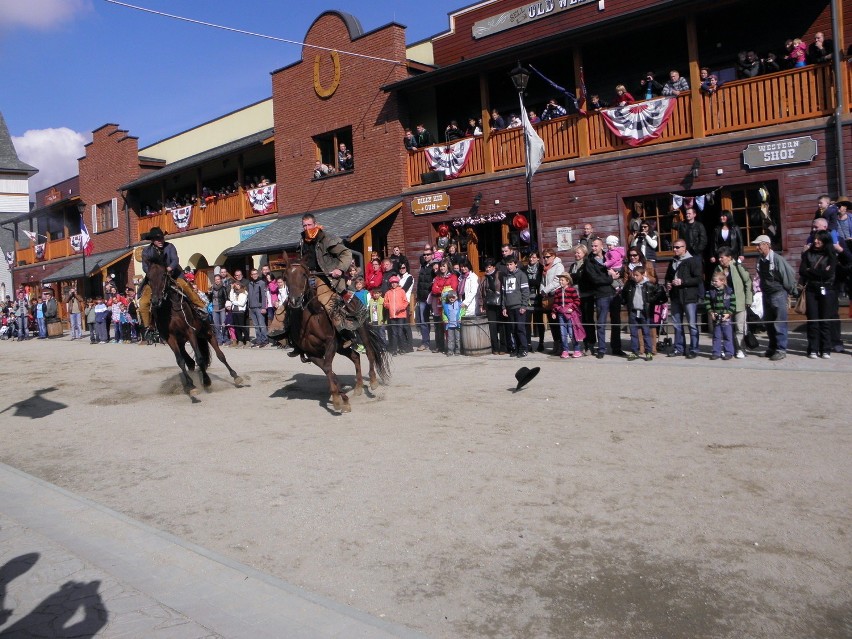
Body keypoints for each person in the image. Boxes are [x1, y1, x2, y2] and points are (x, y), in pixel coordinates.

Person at [297, 213, 358, 347]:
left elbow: (347, 254)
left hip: (326, 278)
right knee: (293, 301)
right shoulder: (302, 241)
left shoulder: (327, 239)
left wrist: (340, 269)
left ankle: (345, 334)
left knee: (327, 302)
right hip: (308, 279)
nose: (307, 228)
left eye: (309, 225)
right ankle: (291, 338)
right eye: (304, 226)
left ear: (315, 224)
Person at [137, 227, 209, 339]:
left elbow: (175, 260)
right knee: (143, 303)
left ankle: (201, 308)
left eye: (161, 238)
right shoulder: (146, 251)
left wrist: (169, 268)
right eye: (157, 239)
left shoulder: (170, 246)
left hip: (174, 275)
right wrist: (156, 273)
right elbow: (145, 267)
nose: (160, 240)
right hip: (155, 279)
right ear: (152, 240)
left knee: (185, 286)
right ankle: (148, 327)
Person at [753, 234, 796, 361]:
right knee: (769, 324)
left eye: (759, 245)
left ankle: (781, 349)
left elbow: (788, 275)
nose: (757, 248)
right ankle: (771, 348)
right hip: (766, 294)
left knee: (780, 324)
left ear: (766, 244)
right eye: (756, 245)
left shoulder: (777, 259)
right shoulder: (759, 260)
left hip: (778, 294)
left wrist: (789, 291)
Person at [799, 229, 838, 359]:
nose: (815, 241)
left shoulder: (831, 255)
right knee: (813, 320)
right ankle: (813, 348)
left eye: (819, 239)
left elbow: (829, 273)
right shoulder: (807, 254)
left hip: (827, 290)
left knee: (825, 320)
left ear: (825, 240)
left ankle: (826, 348)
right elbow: (802, 271)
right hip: (811, 289)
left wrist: (812, 270)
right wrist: (818, 271)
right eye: (815, 238)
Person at [665, 240, 703, 358]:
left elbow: (698, 279)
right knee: (677, 324)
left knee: (692, 324)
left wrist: (683, 281)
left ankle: (694, 349)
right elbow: (667, 277)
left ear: (684, 248)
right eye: (673, 247)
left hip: (689, 297)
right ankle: (679, 348)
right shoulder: (673, 261)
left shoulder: (693, 261)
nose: (675, 249)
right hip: (676, 296)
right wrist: (668, 284)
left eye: (677, 247)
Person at [714, 247, 753, 359]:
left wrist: (748, 299)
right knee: (727, 328)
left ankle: (741, 349)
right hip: (725, 303)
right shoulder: (718, 268)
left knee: (740, 328)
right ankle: (729, 350)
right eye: (719, 257)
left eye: (722, 257)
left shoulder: (737, 266)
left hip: (739, 301)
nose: (720, 259)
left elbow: (747, 282)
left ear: (729, 257)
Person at [623, 266, 663, 361]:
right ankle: (634, 351)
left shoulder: (649, 284)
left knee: (646, 332)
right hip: (633, 311)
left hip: (645, 312)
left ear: (643, 274)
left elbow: (659, 293)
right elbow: (624, 294)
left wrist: (652, 301)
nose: (634, 277)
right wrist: (625, 303)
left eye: (637, 275)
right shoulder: (630, 284)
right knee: (633, 333)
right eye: (633, 275)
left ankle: (648, 352)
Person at [585, 239, 616, 359]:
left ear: (601, 246)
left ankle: (616, 347)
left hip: (614, 293)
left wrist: (616, 274)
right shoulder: (589, 261)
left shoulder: (609, 256)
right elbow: (595, 279)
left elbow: (618, 265)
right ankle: (601, 349)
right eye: (592, 246)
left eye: (595, 246)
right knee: (601, 324)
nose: (593, 248)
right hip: (601, 295)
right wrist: (610, 279)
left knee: (616, 323)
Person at [501, 256, 529, 358]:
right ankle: (516, 348)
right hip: (509, 307)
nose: (509, 267)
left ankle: (523, 348)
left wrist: (524, 305)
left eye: (511, 264)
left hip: (519, 306)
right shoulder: (505, 277)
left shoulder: (521, 275)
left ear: (515, 264)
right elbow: (504, 294)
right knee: (513, 329)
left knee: (520, 328)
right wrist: (504, 307)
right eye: (507, 265)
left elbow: (525, 291)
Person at [704, 271, 737, 360]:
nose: (714, 283)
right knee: (716, 336)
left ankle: (729, 352)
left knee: (727, 335)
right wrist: (711, 312)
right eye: (713, 281)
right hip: (716, 317)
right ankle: (716, 352)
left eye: (716, 281)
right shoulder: (710, 292)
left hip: (726, 317)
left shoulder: (729, 291)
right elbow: (707, 303)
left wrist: (728, 313)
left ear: (722, 281)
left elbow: (733, 304)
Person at [551, 272, 583, 358]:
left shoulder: (572, 290)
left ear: (567, 281)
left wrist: (572, 308)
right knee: (563, 333)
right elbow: (555, 303)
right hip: (561, 315)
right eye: (560, 280)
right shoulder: (557, 292)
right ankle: (565, 350)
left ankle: (577, 349)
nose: (560, 282)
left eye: (562, 280)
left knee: (572, 332)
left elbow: (577, 301)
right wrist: (554, 312)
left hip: (570, 315)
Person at [539, 249, 565, 355]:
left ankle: (562, 346)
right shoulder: (545, 268)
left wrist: (545, 290)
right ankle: (556, 344)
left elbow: (557, 281)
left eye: (547, 257)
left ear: (553, 256)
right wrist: (542, 290)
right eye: (544, 257)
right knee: (552, 322)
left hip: (556, 296)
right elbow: (543, 281)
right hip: (548, 297)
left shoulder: (559, 266)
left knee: (558, 322)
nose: (545, 259)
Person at [431, 259, 458, 354]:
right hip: (439, 304)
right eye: (441, 266)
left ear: (448, 267)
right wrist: (445, 289)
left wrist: (441, 289)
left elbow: (452, 289)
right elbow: (434, 289)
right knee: (439, 326)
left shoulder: (453, 277)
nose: (442, 268)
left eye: (444, 266)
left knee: (449, 326)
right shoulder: (437, 277)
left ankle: (451, 347)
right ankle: (440, 346)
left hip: (450, 304)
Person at [480, 258, 506, 355]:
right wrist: (481, 304)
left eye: (489, 267)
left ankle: (503, 347)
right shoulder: (483, 278)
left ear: (493, 267)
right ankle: (495, 347)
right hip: (489, 304)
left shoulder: (500, 274)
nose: (487, 269)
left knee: (502, 325)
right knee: (492, 326)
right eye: (486, 267)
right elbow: (481, 292)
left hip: (500, 303)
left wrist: (505, 305)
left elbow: (504, 290)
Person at [525, 251, 545, 352]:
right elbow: (525, 282)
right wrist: (532, 282)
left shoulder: (541, 268)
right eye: (530, 257)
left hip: (538, 297)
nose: (531, 259)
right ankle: (528, 343)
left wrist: (531, 282)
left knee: (539, 321)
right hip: (528, 298)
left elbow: (538, 282)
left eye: (534, 257)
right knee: (527, 322)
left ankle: (541, 342)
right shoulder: (524, 269)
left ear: (538, 258)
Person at [383, 274, 409, 355]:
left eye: (395, 282)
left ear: (398, 283)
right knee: (394, 333)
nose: (394, 284)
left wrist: (400, 308)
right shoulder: (388, 293)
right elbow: (385, 303)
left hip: (400, 315)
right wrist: (389, 306)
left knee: (400, 332)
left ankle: (402, 348)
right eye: (392, 283)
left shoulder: (402, 291)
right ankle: (394, 349)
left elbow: (406, 302)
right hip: (392, 315)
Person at [415, 255, 434, 350]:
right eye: (425, 255)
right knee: (423, 321)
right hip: (422, 298)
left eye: (428, 254)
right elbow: (419, 283)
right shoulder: (422, 266)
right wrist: (418, 296)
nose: (426, 256)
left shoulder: (435, 266)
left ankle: (441, 343)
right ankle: (425, 342)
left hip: (433, 297)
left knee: (438, 320)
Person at [246, 268, 269, 347]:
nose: (254, 275)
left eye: (256, 274)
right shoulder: (250, 283)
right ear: (251, 275)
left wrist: (263, 307)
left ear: (258, 274)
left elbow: (263, 296)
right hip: (252, 307)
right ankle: (258, 340)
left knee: (261, 325)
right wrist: (249, 306)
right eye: (253, 274)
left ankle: (264, 340)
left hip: (259, 307)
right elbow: (249, 295)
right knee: (256, 326)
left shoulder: (261, 283)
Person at [209, 273, 228, 345]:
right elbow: (210, 298)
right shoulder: (212, 288)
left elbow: (226, 298)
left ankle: (225, 338)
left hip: (222, 308)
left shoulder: (223, 288)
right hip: (214, 308)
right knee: (216, 325)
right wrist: (209, 293)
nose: (217, 281)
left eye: (218, 279)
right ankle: (219, 339)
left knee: (223, 324)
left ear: (220, 280)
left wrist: (226, 308)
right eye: (216, 279)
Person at [442, 290, 462, 356]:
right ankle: (450, 350)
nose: (451, 299)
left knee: (457, 338)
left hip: (457, 324)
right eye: (450, 297)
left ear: (456, 297)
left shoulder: (459, 304)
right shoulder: (446, 305)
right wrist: (445, 319)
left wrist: (460, 318)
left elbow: (463, 311)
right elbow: (444, 314)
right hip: (450, 325)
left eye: (453, 297)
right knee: (450, 339)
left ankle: (458, 350)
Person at [229, 281, 249, 347]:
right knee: (236, 327)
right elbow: (230, 298)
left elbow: (242, 303)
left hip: (240, 312)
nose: (237, 286)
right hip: (234, 311)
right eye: (236, 285)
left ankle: (247, 340)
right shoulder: (234, 293)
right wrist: (231, 289)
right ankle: (240, 340)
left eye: (238, 284)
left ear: (241, 285)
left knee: (242, 326)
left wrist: (234, 302)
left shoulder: (244, 293)